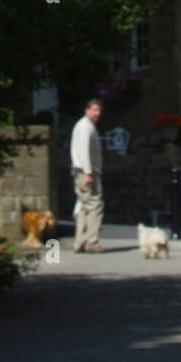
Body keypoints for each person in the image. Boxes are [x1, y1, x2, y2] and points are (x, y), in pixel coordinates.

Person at [70, 99, 106, 253]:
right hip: (85, 172)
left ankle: (80, 242)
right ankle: (92, 242)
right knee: (95, 205)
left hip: (82, 171)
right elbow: (83, 151)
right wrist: (89, 173)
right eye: (94, 110)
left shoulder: (86, 126)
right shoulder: (85, 127)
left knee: (85, 207)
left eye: (99, 110)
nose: (97, 113)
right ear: (87, 110)